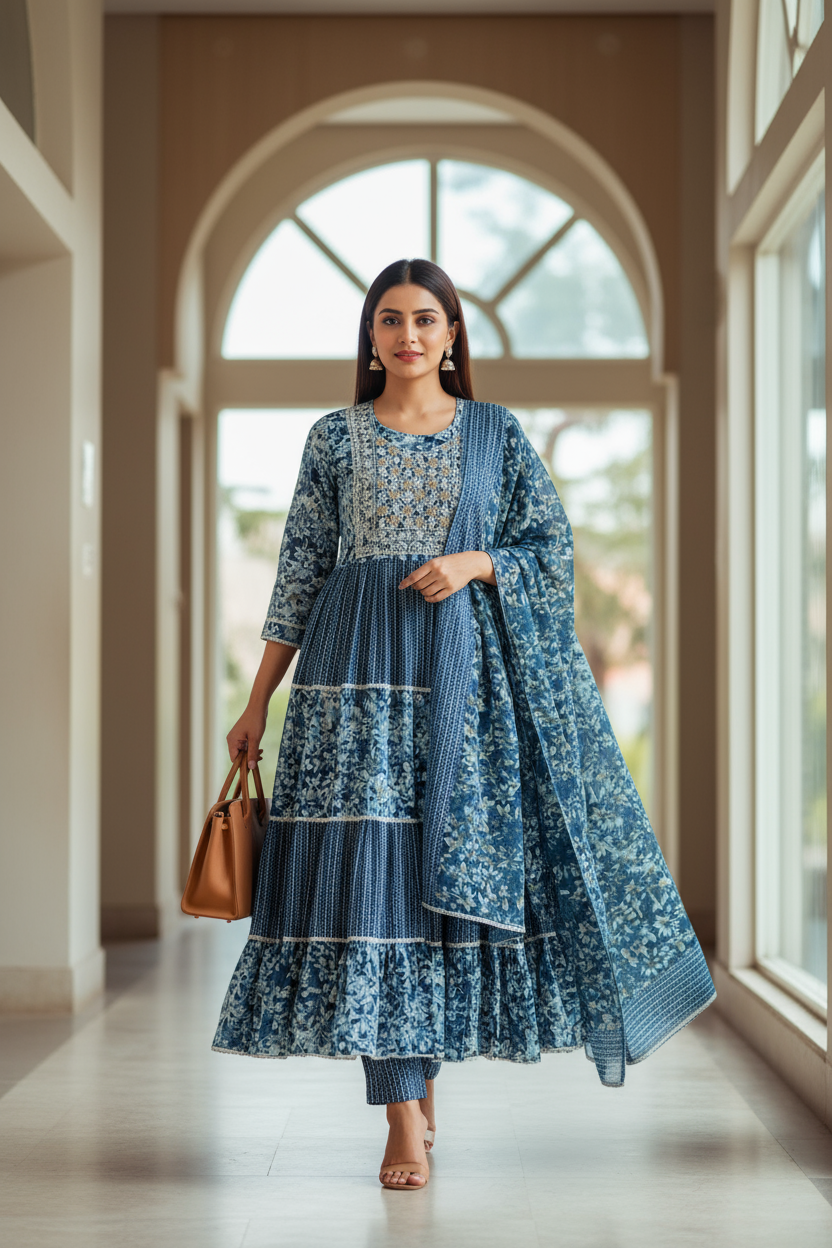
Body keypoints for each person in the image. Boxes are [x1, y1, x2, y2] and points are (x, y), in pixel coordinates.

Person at [213, 258, 715, 1191]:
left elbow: (549, 550)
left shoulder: (495, 434)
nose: (408, 335)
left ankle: (420, 1072)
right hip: (351, 693)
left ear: (451, 336)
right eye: (390, 319)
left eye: (425, 319)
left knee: (434, 883)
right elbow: (299, 573)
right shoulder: (333, 437)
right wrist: (257, 701)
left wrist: (477, 563)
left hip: (461, 693)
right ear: (371, 338)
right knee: (370, 889)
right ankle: (402, 1113)